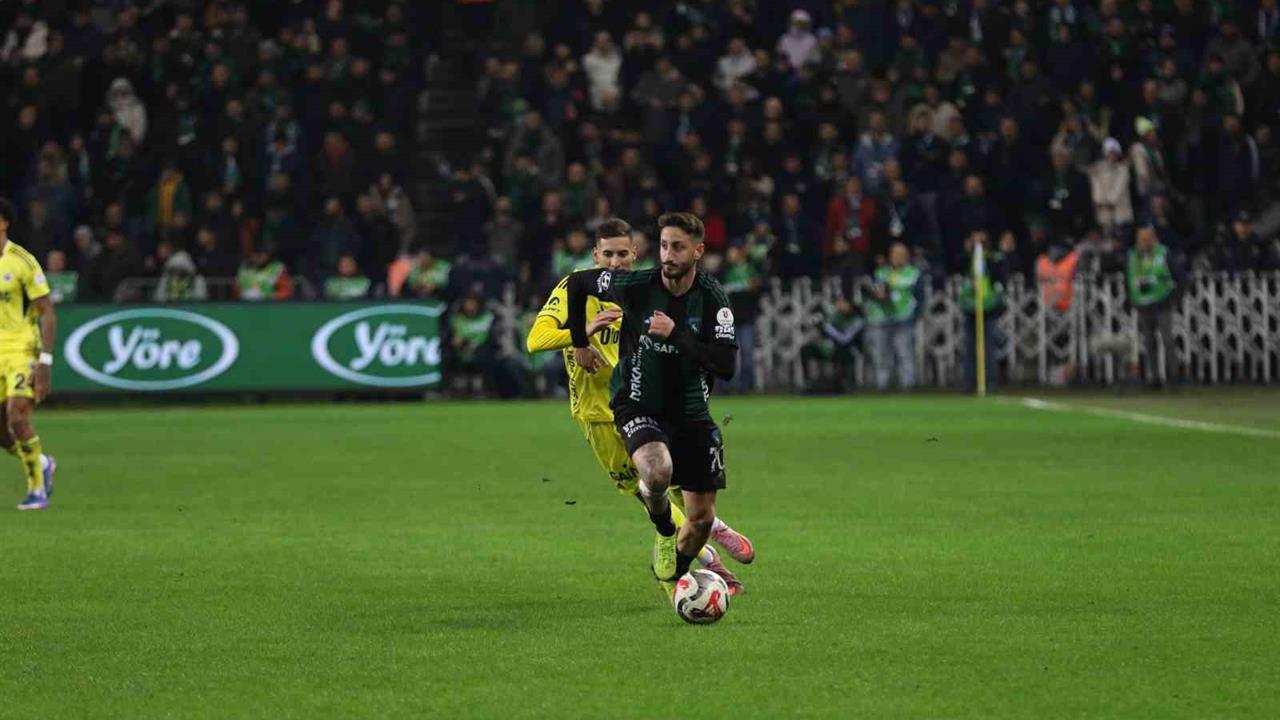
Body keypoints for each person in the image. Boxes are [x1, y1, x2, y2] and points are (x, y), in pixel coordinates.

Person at [526, 218, 753, 595]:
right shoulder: (575, 286)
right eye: (607, 255)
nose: (615, 263)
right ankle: (711, 546)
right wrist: (580, 337)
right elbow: (536, 339)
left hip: (641, 403)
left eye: (622, 254)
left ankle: (698, 562)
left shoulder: (641, 289)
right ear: (595, 255)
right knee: (649, 488)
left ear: (635, 255)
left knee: (663, 484)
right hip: (597, 413)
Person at [0, 199, 57, 510]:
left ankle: (37, 491)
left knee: (17, 416)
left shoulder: (21, 260)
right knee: (3, 433)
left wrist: (44, 361)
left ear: (3, 223)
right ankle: (43, 463)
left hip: (21, 348)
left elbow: (46, 311)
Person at [863, 243, 922, 390]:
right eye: (894, 254)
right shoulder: (881, 273)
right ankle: (882, 386)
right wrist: (876, 295)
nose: (897, 258)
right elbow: (870, 292)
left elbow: (920, 297)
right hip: (880, 318)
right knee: (881, 354)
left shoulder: (913, 274)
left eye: (901, 255)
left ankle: (908, 385)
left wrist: (916, 315)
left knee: (904, 352)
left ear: (907, 256)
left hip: (904, 319)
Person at [1127, 226, 1181, 386]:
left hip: (1162, 302)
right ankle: (1154, 377)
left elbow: (1180, 276)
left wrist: (1174, 298)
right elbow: (1129, 278)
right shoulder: (1132, 255)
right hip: (1142, 304)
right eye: (1140, 239)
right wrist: (1131, 300)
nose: (1142, 242)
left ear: (1153, 239)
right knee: (1149, 342)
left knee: (1167, 339)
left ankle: (1174, 376)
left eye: (1146, 239)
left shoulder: (1163, 253)